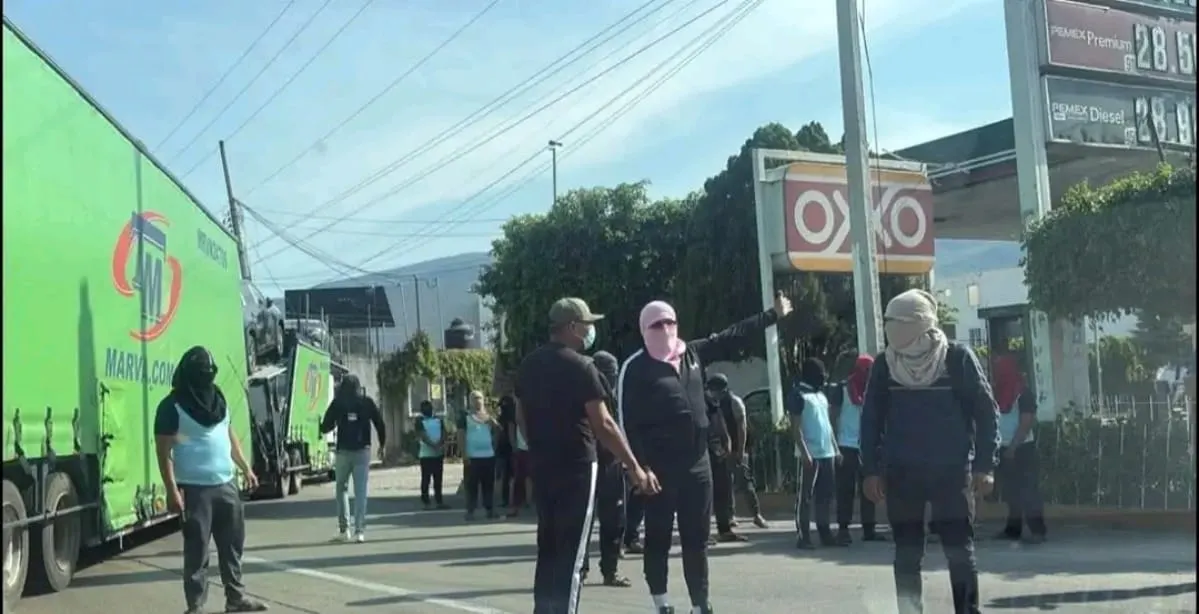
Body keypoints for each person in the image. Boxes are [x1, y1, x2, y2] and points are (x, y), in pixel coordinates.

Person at [619, 293, 791, 614]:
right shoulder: (636, 367)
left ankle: (700, 603)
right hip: (658, 468)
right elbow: (626, 422)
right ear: (644, 329)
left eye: (670, 322)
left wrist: (772, 315)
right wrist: (639, 468)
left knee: (696, 538)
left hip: (698, 464)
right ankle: (661, 601)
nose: (665, 329)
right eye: (657, 324)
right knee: (658, 536)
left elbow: (732, 335)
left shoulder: (692, 353)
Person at [860, 289, 1000, 614]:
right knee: (907, 556)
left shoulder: (956, 359)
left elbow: (986, 411)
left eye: (899, 321)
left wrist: (985, 465)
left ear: (921, 322)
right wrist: (870, 471)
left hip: (951, 473)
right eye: (889, 321)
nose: (892, 327)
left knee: (959, 552)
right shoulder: (885, 364)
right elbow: (871, 420)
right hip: (902, 474)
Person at [516, 297, 658, 614]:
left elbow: (521, 417)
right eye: (586, 324)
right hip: (577, 467)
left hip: (542, 465)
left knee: (549, 548)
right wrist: (634, 467)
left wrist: (540, 446)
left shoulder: (529, 365)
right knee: (572, 554)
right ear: (572, 327)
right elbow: (604, 423)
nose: (590, 330)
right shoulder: (582, 367)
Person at [153, 346, 268, 614]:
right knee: (197, 550)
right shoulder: (171, 406)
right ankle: (195, 606)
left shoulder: (218, 398)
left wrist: (246, 468)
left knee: (232, 546)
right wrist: (172, 490)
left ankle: (236, 599)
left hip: (226, 484)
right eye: (202, 373)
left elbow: (229, 436)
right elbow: (163, 451)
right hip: (194, 490)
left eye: (210, 372)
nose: (207, 377)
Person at [579, 350, 634, 587]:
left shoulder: (617, 395)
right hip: (590, 462)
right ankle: (580, 571)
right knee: (585, 519)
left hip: (613, 464)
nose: (612, 377)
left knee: (615, 520)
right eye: (608, 372)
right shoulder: (586, 393)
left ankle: (610, 570)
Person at [321, 374, 386, 543]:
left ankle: (344, 529)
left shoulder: (338, 403)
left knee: (341, 488)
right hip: (363, 451)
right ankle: (360, 531)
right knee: (360, 491)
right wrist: (382, 444)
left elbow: (325, 426)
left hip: (343, 451)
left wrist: (333, 423)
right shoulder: (367, 402)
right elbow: (380, 423)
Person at [992, 354, 1047, 544]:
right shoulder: (998, 393)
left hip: (1022, 449)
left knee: (1028, 492)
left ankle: (1037, 531)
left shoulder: (1023, 394)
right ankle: (1013, 530)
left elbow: (1026, 423)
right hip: (1003, 447)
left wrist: (1013, 447)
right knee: (1011, 493)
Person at [787, 358, 840, 549]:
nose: (823, 379)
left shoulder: (821, 396)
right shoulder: (798, 395)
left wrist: (836, 449)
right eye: (820, 375)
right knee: (806, 497)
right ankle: (804, 536)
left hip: (827, 453)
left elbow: (828, 426)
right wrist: (805, 452)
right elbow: (795, 428)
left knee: (825, 495)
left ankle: (825, 533)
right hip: (810, 454)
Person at [706, 373, 768, 532]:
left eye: (713, 389)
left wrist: (740, 450)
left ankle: (756, 514)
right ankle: (730, 515)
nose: (711, 393)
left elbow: (742, 428)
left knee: (745, 482)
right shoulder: (714, 404)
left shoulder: (734, 402)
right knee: (725, 485)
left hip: (737, 448)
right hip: (722, 450)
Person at [833, 354, 884, 545]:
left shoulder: (872, 391)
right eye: (867, 370)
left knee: (868, 487)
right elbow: (833, 416)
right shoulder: (842, 389)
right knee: (845, 489)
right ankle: (843, 529)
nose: (869, 374)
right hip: (846, 445)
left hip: (866, 446)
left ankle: (869, 529)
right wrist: (834, 444)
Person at [705, 379, 748, 544]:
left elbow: (723, 428)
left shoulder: (718, 405)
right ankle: (703, 533)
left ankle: (725, 530)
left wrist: (728, 444)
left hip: (721, 454)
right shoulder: (703, 405)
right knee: (706, 496)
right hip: (707, 454)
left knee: (723, 493)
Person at [458, 391, 499, 520]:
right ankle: (470, 511)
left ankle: (490, 510)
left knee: (488, 484)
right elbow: (461, 435)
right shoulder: (465, 417)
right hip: (472, 457)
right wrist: (464, 455)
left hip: (488, 456)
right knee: (471, 485)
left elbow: (498, 431)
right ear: (470, 401)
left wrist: (494, 445)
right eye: (475, 398)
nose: (478, 401)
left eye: (480, 398)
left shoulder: (489, 417)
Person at [415, 400, 449, 510]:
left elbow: (444, 433)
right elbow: (422, 435)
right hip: (426, 454)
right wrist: (434, 445)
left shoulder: (438, 420)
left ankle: (439, 501)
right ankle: (426, 502)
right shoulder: (419, 421)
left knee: (438, 479)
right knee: (426, 479)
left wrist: (439, 444)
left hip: (438, 454)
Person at [504, 395, 534, 517]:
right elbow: (514, 424)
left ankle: (528, 502)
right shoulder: (517, 405)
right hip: (523, 447)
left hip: (533, 446)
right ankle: (515, 505)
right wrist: (514, 444)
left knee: (530, 477)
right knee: (518, 477)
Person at [497, 395, 517, 510]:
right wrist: (514, 448)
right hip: (509, 449)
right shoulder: (511, 417)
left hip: (501, 449)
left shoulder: (500, 418)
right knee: (512, 475)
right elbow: (511, 432)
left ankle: (504, 499)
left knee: (503, 476)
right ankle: (512, 499)